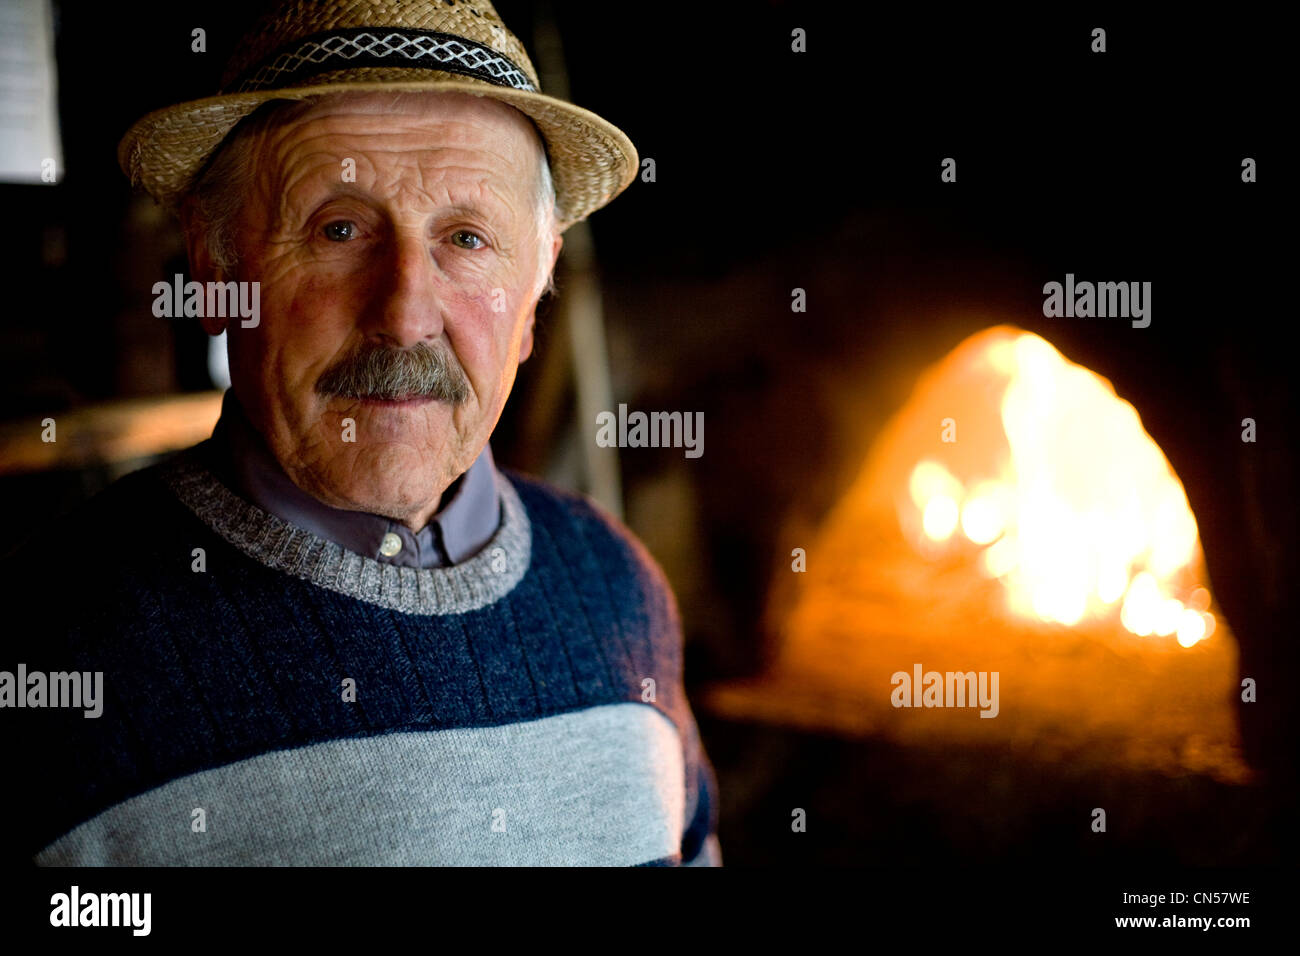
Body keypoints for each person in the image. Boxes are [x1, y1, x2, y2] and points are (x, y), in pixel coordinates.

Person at [4, 0, 720, 867]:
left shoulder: (616, 586)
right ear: (216, 267)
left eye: (467, 237)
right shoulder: (47, 649)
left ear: (536, 294)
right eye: (340, 229)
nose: (406, 313)